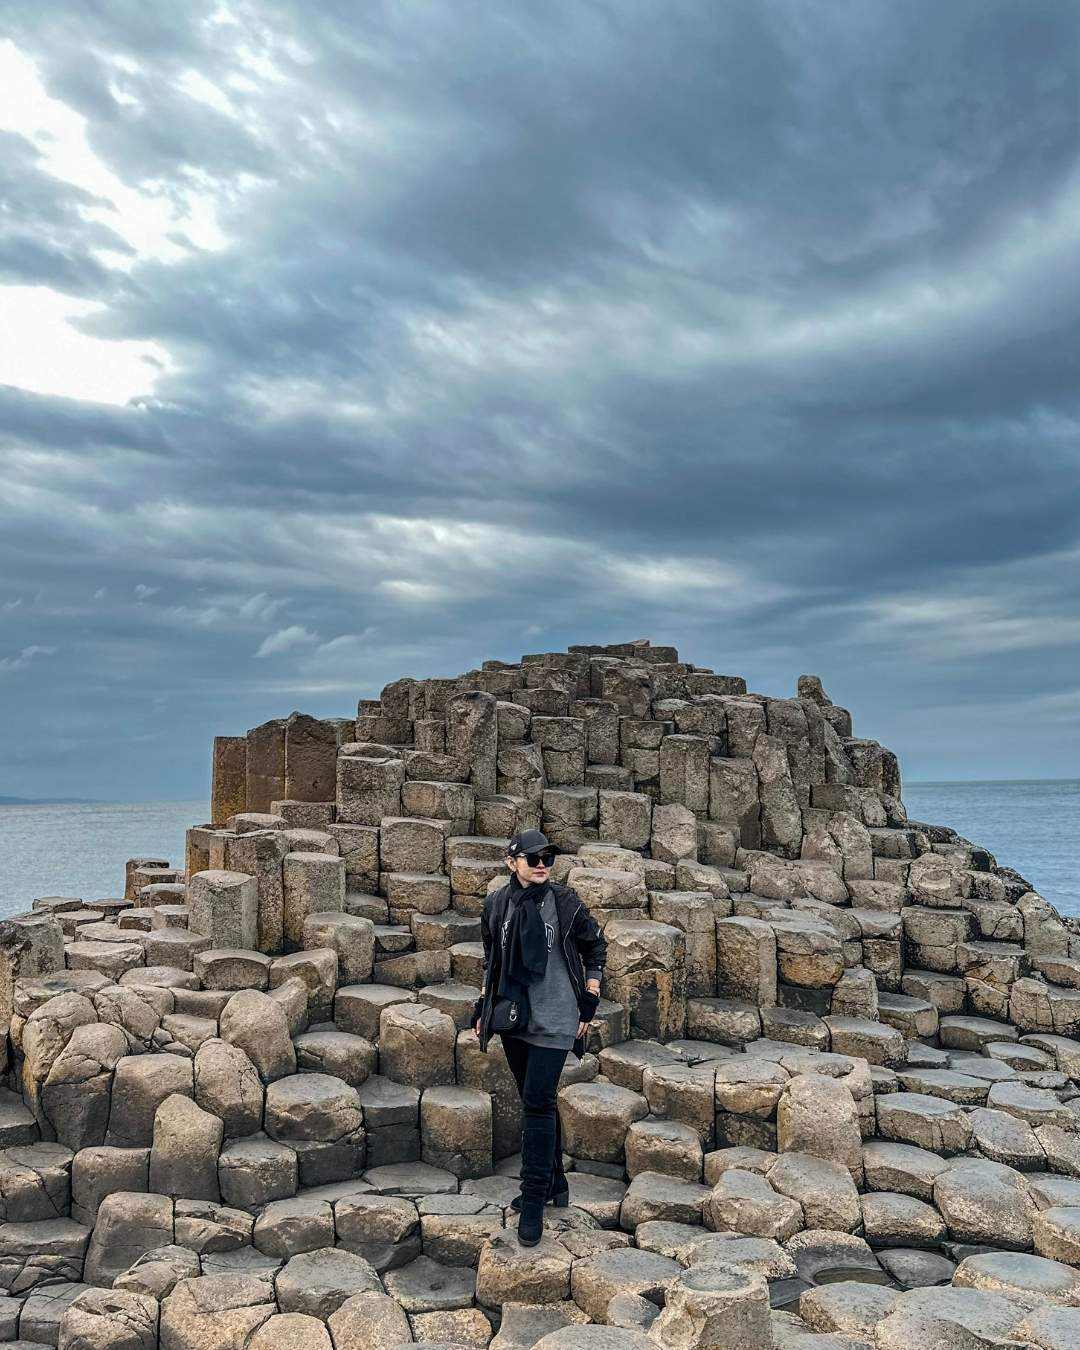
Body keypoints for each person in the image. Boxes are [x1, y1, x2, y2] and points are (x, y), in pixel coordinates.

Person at [471, 828, 607, 1246]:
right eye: (533, 858)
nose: (543, 864)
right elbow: (491, 960)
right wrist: (482, 1006)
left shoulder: (565, 903)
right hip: (514, 1017)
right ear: (512, 862)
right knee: (535, 1101)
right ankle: (555, 1184)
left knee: (537, 1103)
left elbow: (595, 947)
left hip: (558, 1016)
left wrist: (589, 1000)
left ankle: (532, 1203)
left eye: (547, 857)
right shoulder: (496, 904)